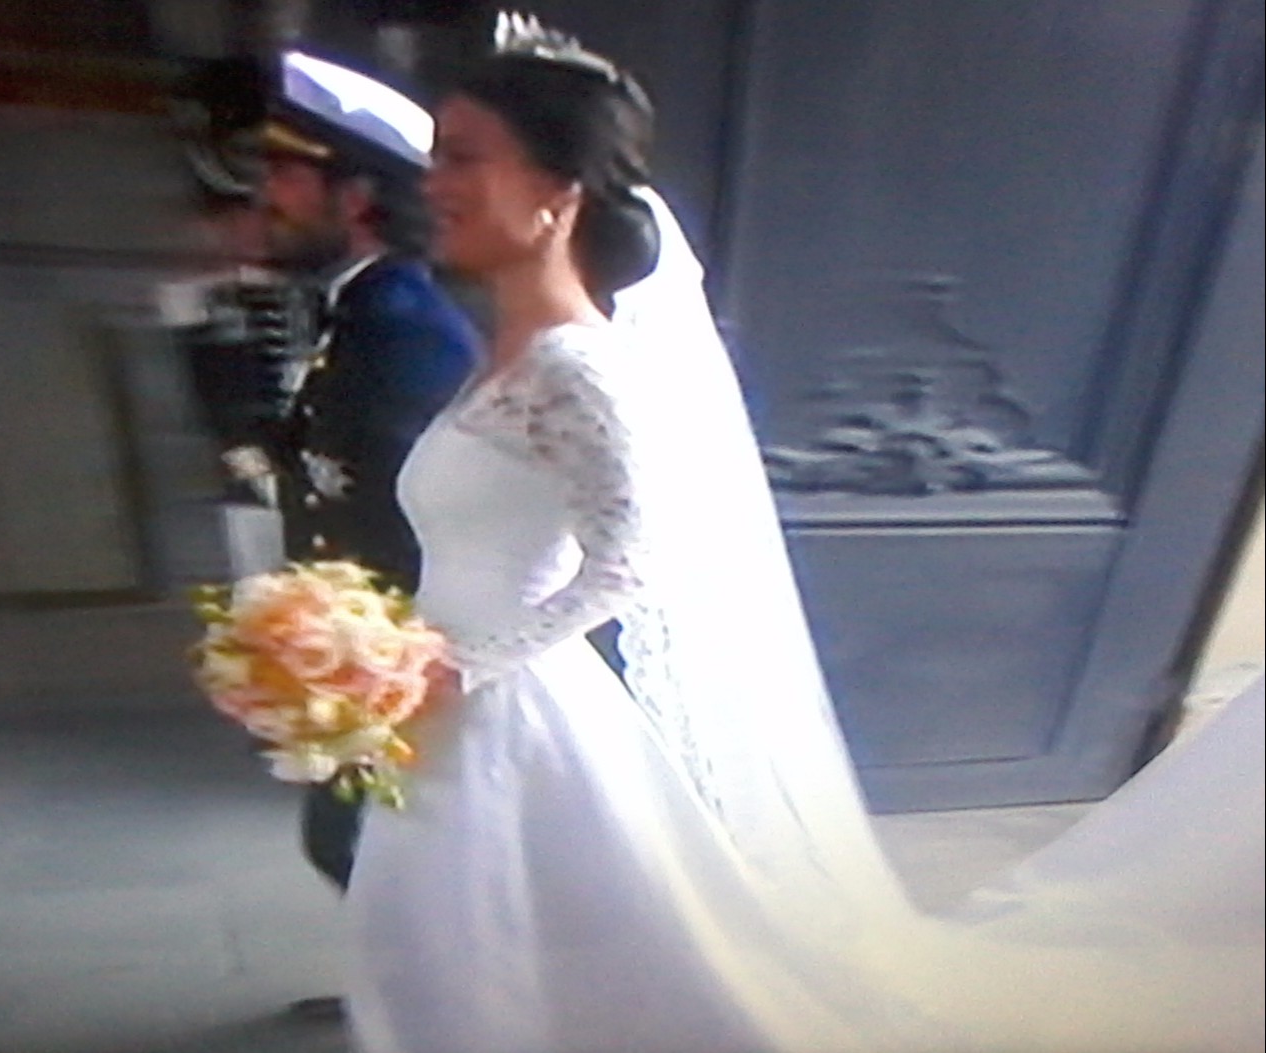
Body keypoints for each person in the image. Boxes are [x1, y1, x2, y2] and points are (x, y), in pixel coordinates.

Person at [341, 15, 1263, 1053]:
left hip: (500, 702)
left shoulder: (576, 371)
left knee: (478, 935)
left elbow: (630, 562)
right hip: (443, 691)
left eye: (461, 158)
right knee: (463, 934)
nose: (432, 183)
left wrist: (462, 666)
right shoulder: (505, 353)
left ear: (557, 191)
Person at [170, 49, 481, 1018]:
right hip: (363, 655)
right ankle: (416, 1001)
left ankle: (454, 1010)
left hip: (410, 666)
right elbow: (304, 461)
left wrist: (372, 661)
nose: (262, 196)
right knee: (352, 842)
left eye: (284, 174)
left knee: (369, 844)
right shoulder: (358, 312)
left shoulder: (405, 327)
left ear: (357, 196)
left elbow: (438, 517)